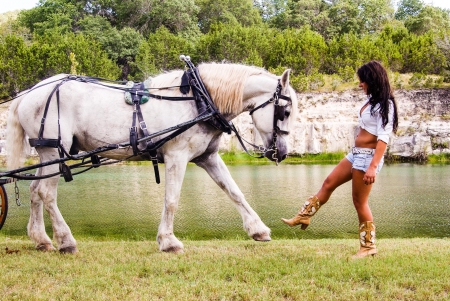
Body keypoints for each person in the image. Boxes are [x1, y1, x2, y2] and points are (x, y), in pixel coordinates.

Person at [281, 61, 398, 258]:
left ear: (372, 80)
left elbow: (383, 138)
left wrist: (373, 167)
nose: (360, 84)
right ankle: (304, 216)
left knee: (360, 202)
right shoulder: (370, 101)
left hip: (367, 158)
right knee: (328, 183)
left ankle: (368, 247)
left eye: (363, 81)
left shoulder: (386, 104)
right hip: (356, 154)